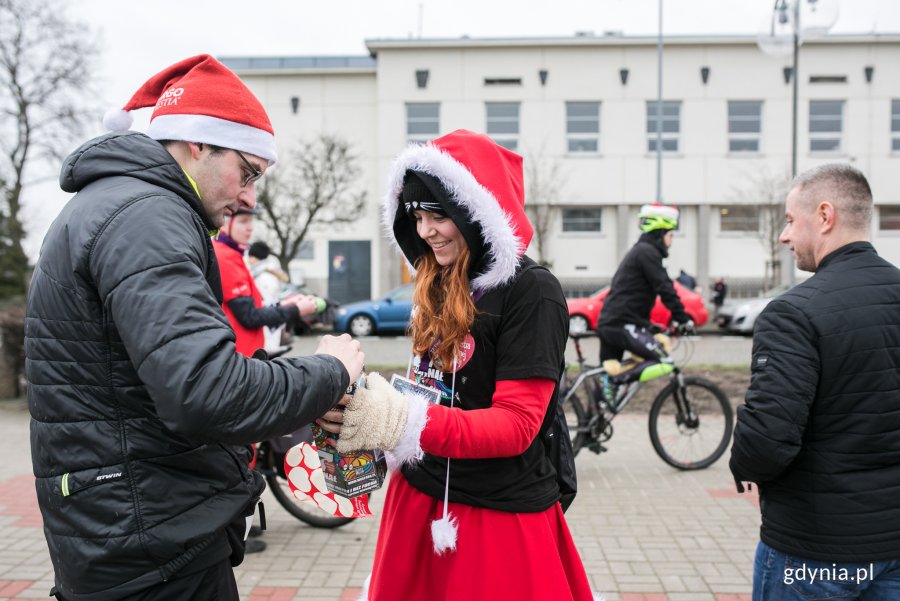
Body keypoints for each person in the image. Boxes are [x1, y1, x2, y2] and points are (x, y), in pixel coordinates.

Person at [25, 54, 364, 601]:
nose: (250, 196)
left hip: (122, 527)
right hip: (149, 545)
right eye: (248, 171)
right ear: (198, 144)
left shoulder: (114, 204)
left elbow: (143, 377)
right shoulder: (147, 217)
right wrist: (328, 371)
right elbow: (204, 392)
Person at [317, 129, 596, 601]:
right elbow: (432, 389)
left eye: (438, 214)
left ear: (474, 211)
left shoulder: (533, 290)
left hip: (493, 516)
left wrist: (398, 421)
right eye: (417, 216)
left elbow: (516, 425)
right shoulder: (440, 280)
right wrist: (364, 419)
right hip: (420, 497)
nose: (426, 231)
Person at [729, 164, 900, 600]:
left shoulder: (794, 312)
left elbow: (767, 439)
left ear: (825, 216)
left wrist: (743, 459)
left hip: (813, 553)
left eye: (789, 220)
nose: (784, 236)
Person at [596, 203, 693, 400]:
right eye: (670, 234)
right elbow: (664, 287)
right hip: (620, 324)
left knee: (606, 381)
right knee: (663, 360)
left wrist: (649, 327)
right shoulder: (647, 253)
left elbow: (631, 297)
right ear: (660, 233)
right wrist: (683, 318)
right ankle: (612, 381)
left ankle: (591, 423)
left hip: (614, 322)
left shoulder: (641, 251)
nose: (671, 241)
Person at [214, 209, 316, 357]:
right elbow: (250, 316)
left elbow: (257, 307)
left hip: (245, 352)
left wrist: (287, 305)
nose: (250, 227)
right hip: (241, 355)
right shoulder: (226, 257)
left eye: (251, 220)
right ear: (224, 223)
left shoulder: (233, 255)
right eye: (243, 221)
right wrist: (295, 309)